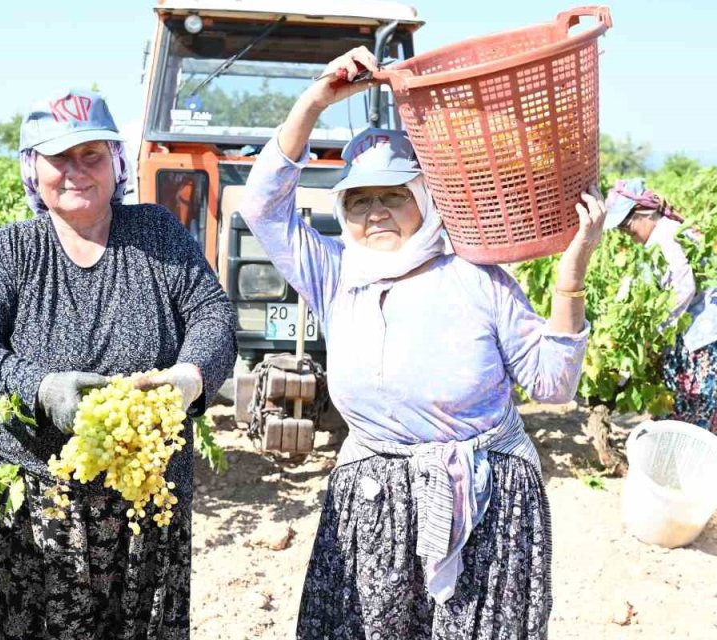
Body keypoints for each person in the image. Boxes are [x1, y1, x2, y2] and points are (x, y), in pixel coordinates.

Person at [240, 48, 607, 639]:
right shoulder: (335, 274)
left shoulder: (477, 277)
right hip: (373, 501)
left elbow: (554, 384)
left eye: (394, 195)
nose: (376, 211)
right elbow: (261, 206)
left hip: (486, 504)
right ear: (344, 211)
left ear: (426, 200)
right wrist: (316, 99)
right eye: (360, 199)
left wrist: (571, 279)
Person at [0, 88, 236, 639]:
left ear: (116, 164)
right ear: (34, 171)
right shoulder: (10, 251)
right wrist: (42, 388)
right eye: (59, 158)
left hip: (142, 503)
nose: (76, 171)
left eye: (92, 155)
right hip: (37, 510)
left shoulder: (156, 234)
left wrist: (189, 377)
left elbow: (213, 316)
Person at [605, 178, 717, 439]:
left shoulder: (666, 236)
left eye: (627, 227)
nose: (627, 235)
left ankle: (691, 474)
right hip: (713, 331)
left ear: (643, 214)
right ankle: (686, 471)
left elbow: (683, 287)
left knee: (696, 414)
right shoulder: (662, 234)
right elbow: (643, 279)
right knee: (693, 413)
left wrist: (654, 334)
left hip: (710, 336)